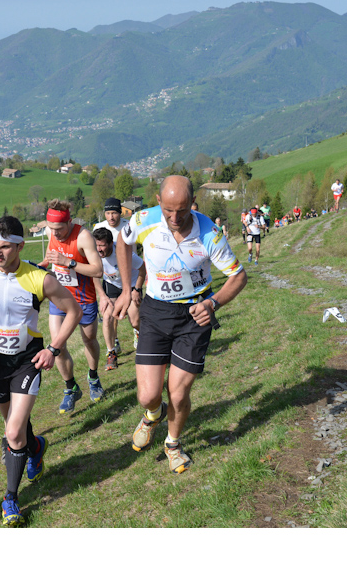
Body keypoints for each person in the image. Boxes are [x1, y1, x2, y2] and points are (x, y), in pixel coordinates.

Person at [0, 216, 82, 526]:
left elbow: (73, 310)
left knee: (11, 433)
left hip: (28, 360)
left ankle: (10, 499)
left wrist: (54, 348)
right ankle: (36, 447)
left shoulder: (40, 278)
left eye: (5, 247)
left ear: (20, 246)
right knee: (15, 426)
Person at [114, 176, 247, 474]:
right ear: (158, 201)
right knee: (148, 395)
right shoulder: (143, 219)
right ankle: (153, 414)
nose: (175, 218)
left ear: (192, 204)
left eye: (183, 211)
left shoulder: (210, 234)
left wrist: (213, 303)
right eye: (169, 211)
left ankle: (173, 443)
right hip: (155, 312)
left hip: (195, 316)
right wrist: (126, 289)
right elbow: (122, 242)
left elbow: (239, 276)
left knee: (178, 392)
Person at [40, 198, 106, 411]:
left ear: (68, 223)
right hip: (60, 297)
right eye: (51, 229)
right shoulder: (51, 233)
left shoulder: (83, 236)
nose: (55, 233)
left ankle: (93, 377)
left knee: (89, 340)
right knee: (56, 345)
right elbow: (50, 259)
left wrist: (69, 262)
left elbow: (98, 270)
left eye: (59, 229)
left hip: (84, 298)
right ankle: (70, 388)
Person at [92, 227, 145, 370]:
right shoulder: (94, 253)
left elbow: (142, 269)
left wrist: (138, 289)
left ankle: (143, 336)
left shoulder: (122, 252)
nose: (99, 249)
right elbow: (95, 274)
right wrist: (102, 296)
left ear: (110, 244)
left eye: (102, 245)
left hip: (132, 284)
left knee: (134, 321)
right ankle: (111, 353)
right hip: (112, 286)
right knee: (107, 316)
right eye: (96, 245)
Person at [93, 197, 131, 356]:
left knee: (132, 312)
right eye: (108, 213)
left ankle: (137, 332)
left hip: (129, 272)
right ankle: (113, 343)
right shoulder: (99, 227)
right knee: (110, 313)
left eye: (114, 213)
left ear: (120, 213)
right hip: (110, 277)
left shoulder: (128, 226)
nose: (111, 217)